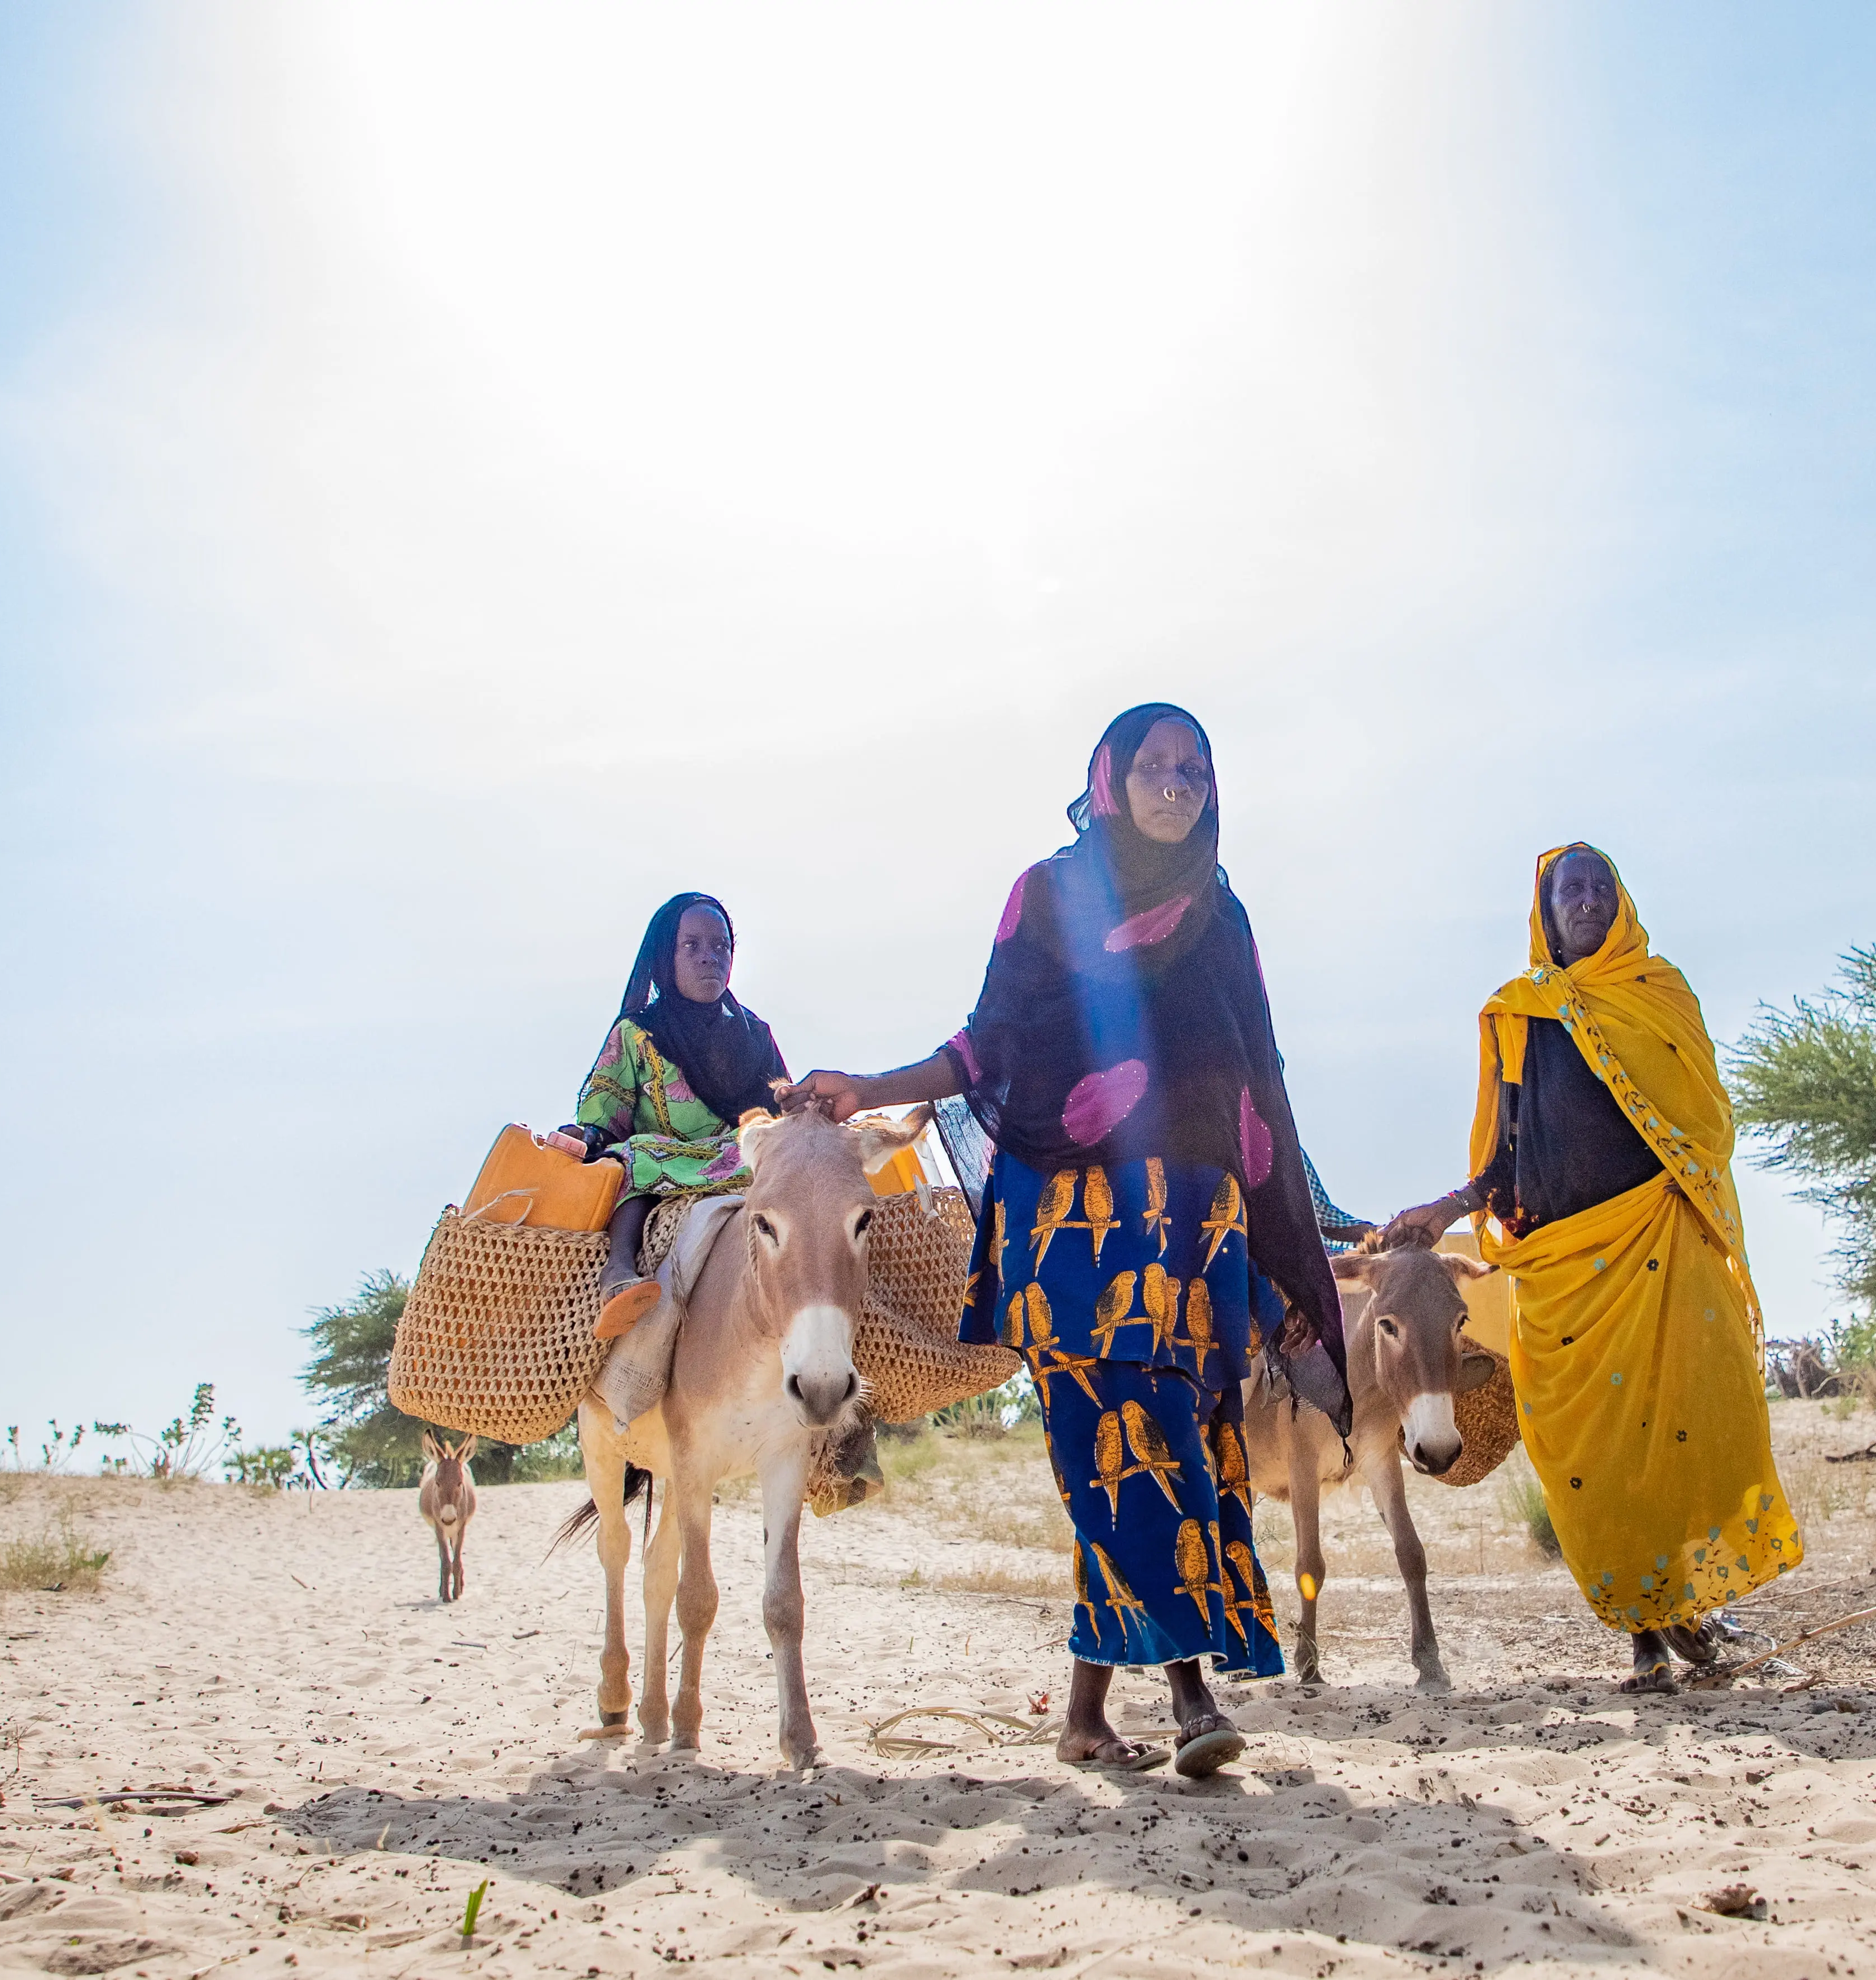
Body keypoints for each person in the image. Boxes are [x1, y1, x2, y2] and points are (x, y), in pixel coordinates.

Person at [783, 704, 1348, 1777]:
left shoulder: (1222, 918)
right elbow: (988, 1043)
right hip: (1069, 1224)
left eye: (1196, 768)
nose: (1178, 784)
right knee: (1131, 1437)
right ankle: (1191, 1693)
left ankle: (1086, 1718)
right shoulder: (1048, 895)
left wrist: (1290, 1235)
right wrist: (874, 1086)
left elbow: (1257, 1079)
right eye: (1155, 766)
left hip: (1192, 1232)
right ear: (1109, 778)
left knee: (1152, 1444)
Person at [1382, 843, 1801, 1692]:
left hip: (1659, 1248)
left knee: (1680, 1431)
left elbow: (1707, 1125)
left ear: (1622, 901)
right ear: (1544, 909)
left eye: (1599, 886)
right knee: (1591, 1457)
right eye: (1568, 888)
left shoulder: (1661, 994)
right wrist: (1447, 1208)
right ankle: (1644, 1632)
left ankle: (1680, 1606)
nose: (1586, 899)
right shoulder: (1518, 1013)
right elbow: (1505, 1156)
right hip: (1560, 1268)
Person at [529, 891, 789, 1340]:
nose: (710, 957)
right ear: (666, 957)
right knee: (632, 1153)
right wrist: (588, 1132)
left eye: (721, 946)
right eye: (692, 946)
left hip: (739, 1156)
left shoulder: (755, 1034)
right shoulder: (636, 1032)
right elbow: (608, 1110)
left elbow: (779, 1106)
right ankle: (619, 1270)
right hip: (663, 1157)